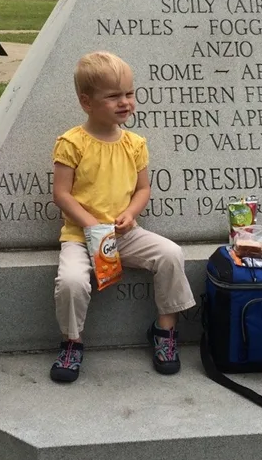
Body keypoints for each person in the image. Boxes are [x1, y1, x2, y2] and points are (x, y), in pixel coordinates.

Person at [50, 51, 195, 382]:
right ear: (87, 102)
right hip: (80, 235)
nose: (125, 102)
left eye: (129, 93)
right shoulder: (72, 143)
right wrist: (90, 225)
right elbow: (61, 193)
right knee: (71, 281)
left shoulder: (134, 144)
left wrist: (130, 214)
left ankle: (164, 330)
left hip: (125, 234)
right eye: (113, 96)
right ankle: (72, 341)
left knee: (170, 254)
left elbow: (143, 189)